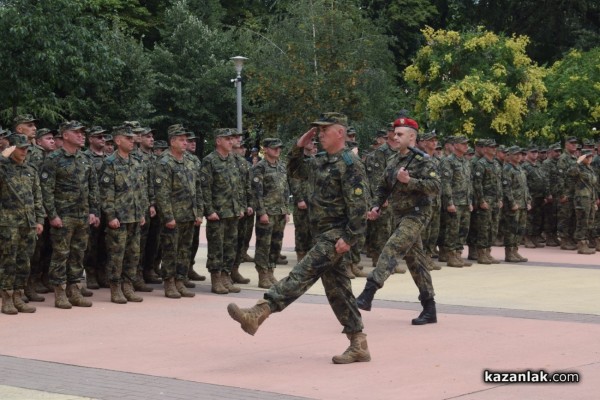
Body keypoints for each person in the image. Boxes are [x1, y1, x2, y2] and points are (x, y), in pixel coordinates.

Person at [227, 112, 371, 364]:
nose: (320, 134)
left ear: (340, 133)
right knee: (338, 292)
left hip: (335, 236)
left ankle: (260, 312)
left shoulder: (350, 164)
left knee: (301, 274)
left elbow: (360, 206)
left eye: (324, 130)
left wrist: (349, 237)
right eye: (317, 130)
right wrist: (299, 145)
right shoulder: (322, 160)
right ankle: (358, 343)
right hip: (320, 235)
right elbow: (294, 169)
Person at [355, 117, 440, 326]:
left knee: (393, 247)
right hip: (398, 214)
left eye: (400, 134)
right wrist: (375, 205)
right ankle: (429, 308)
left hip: (417, 213)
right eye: (395, 133)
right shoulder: (393, 161)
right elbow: (383, 187)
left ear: (412, 137)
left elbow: (436, 187)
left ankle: (369, 291)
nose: (395, 137)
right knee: (416, 261)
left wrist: (409, 181)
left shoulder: (424, 161)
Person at [40, 121, 100, 309]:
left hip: (82, 216)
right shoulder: (53, 159)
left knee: (78, 254)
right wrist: (52, 215)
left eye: (83, 133)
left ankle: (74, 290)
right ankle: (59, 292)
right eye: (77, 133)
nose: (81, 136)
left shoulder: (84, 159)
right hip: (63, 216)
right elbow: (46, 190)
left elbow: (93, 187)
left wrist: (93, 211)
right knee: (61, 254)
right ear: (65, 135)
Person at [99, 126, 148, 303]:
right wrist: (111, 216)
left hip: (134, 216)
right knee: (116, 255)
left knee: (133, 254)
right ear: (118, 141)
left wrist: (141, 212)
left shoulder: (136, 162)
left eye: (133, 138)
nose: (132, 141)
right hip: (119, 218)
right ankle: (115, 287)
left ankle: (128, 285)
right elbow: (106, 192)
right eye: (128, 138)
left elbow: (140, 190)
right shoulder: (110, 163)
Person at [154, 128, 203, 299]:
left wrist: (198, 212)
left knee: (185, 250)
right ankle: (169, 282)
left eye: (186, 140)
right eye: (182, 140)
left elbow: (197, 188)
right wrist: (168, 216)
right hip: (173, 216)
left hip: (188, 215)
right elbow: (162, 193)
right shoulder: (164, 162)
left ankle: (180, 281)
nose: (185, 143)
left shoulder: (189, 161)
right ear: (172, 141)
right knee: (170, 250)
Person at [0, 134, 44, 314]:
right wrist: (3, 155)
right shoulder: (3, 168)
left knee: (24, 262)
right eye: (21, 148)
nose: (25, 151)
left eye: (27, 148)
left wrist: (40, 219)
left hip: (28, 223)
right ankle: (7, 299)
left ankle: (18, 296)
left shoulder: (31, 170)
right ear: (11, 149)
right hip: (8, 223)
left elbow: (37, 196)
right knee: (8, 262)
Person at [200, 128, 244, 294]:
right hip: (217, 213)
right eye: (227, 139)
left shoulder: (233, 159)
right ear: (218, 141)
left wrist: (239, 206)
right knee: (216, 247)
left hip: (232, 211)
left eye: (232, 139)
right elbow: (205, 188)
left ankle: (226, 276)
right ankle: (216, 278)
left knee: (230, 246)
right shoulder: (210, 161)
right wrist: (209, 210)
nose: (231, 142)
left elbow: (237, 185)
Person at [252, 138, 290, 288]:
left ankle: (271, 272)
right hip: (267, 212)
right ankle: (262, 275)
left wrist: (286, 210)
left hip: (279, 211)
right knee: (264, 245)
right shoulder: (260, 167)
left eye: (279, 148)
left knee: (276, 244)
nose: (277, 150)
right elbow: (257, 192)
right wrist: (261, 212)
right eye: (274, 148)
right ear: (266, 149)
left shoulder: (281, 165)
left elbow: (285, 189)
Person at [439, 136, 473, 267]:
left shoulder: (465, 161)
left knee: (463, 229)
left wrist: (469, 201)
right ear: (455, 145)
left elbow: (468, 182)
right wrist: (449, 202)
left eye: (466, 144)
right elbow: (446, 183)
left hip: (464, 201)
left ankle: (458, 254)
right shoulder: (448, 161)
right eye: (463, 144)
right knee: (452, 229)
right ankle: (450, 255)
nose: (466, 146)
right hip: (455, 202)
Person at [471, 139, 503, 264]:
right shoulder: (481, 164)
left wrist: (500, 198)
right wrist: (481, 200)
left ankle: (488, 252)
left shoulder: (495, 163)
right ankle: (481, 253)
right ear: (485, 149)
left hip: (495, 201)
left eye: (495, 147)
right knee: (484, 228)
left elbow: (499, 183)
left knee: (493, 228)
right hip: (486, 201)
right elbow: (477, 184)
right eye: (491, 147)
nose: (494, 149)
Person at [502, 146, 531, 262]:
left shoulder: (520, 168)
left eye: (520, 154)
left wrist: (528, 200)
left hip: (522, 203)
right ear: (509, 156)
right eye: (515, 154)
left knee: (520, 229)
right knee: (511, 229)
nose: (518, 156)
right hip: (514, 205)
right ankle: (509, 253)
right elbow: (506, 188)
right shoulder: (508, 169)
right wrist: (512, 203)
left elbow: (525, 187)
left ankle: (515, 250)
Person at [569, 150, 597, 254]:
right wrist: (578, 161)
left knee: (589, 221)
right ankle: (581, 244)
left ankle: (585, 242)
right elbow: (570, 172)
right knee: (582, 221)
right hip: (581, 199)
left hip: (590, 198)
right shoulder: (578, 168)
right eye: (587, 157)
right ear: (583, 157)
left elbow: (592, 186)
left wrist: (594, 200)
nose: (589, 158)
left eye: (591, 156)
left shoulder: (590, 169)